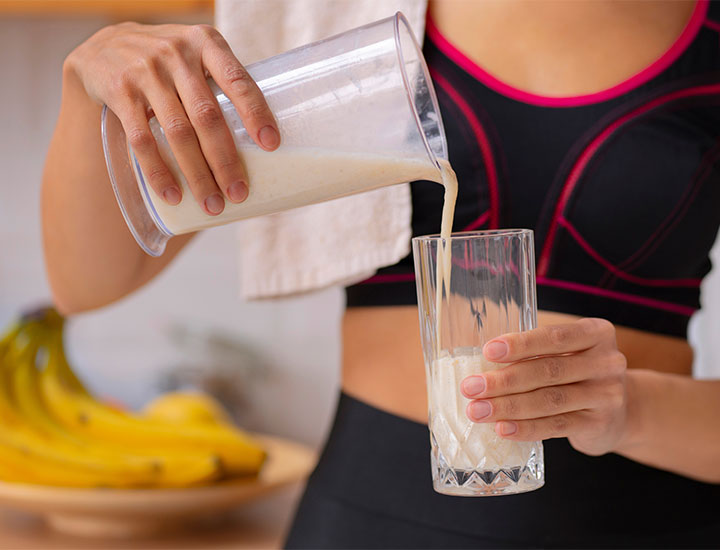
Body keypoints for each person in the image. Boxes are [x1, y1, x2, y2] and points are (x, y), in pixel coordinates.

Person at [42, 0, 720, 547]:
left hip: (649, 517)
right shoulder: (326, 16)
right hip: (368, 518)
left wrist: (633, 407)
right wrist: (86, 87)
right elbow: (88, 283)